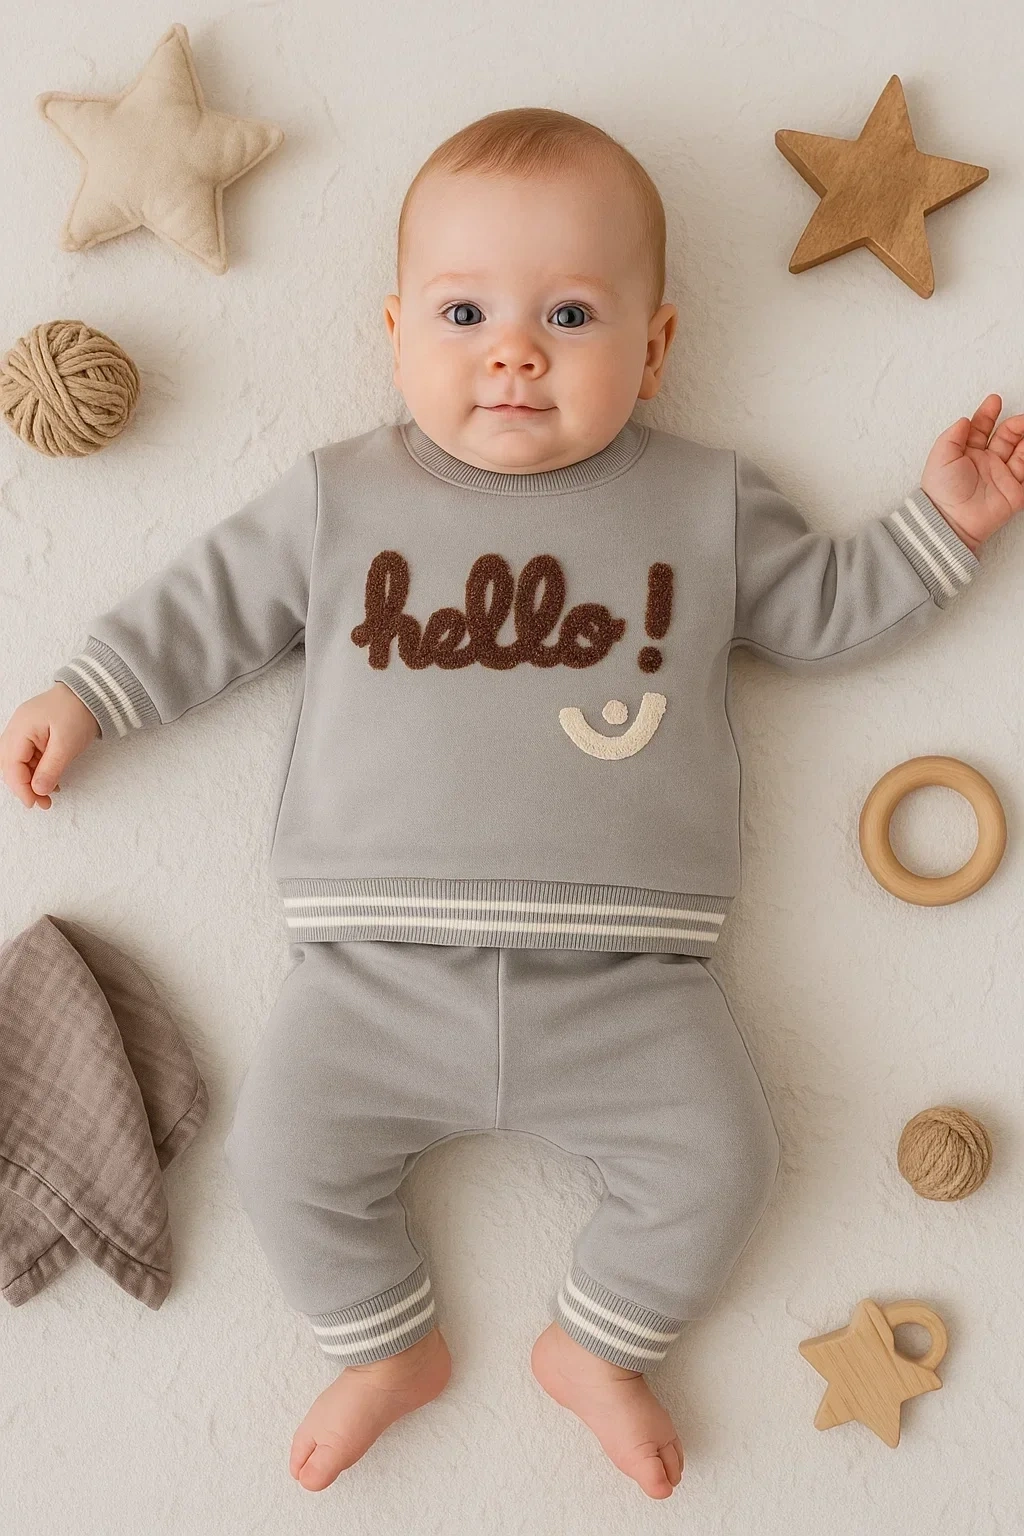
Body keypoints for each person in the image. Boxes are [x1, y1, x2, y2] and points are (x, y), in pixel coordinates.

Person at [2, 106, 1022, 1502]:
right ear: (395, 333)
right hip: (371, 979)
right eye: (465, 311)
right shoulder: (342, 499)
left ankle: (597, 1344)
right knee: (281, 1160)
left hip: (632, 986)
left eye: (572, 315)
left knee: (724, 1162)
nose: (515, 352)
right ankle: (385, 1350)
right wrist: (87, 693)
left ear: (655, 347)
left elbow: (828, 609)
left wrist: (942, 523)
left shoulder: (706, 504)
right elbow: (207, 608)